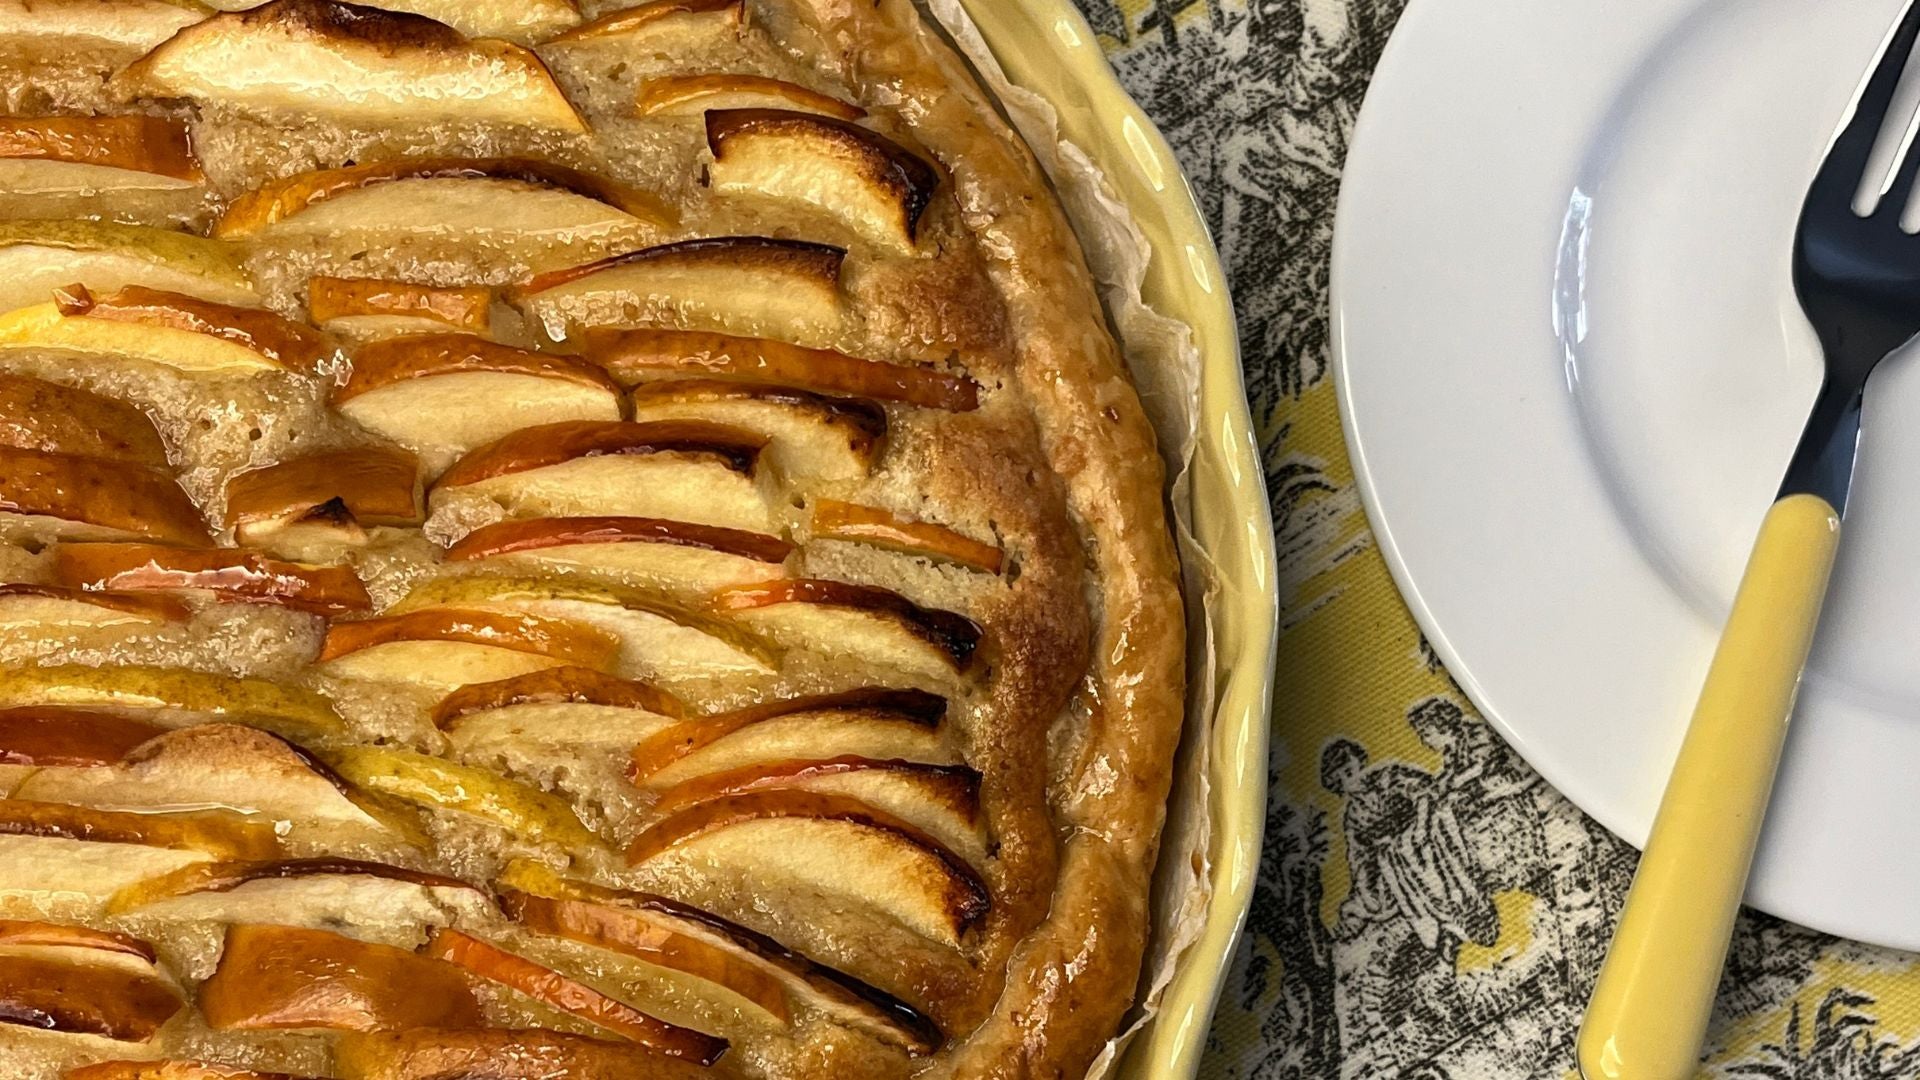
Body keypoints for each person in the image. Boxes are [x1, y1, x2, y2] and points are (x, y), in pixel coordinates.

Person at [1320, 737, 1498, 961]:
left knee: (1417, 851)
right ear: (1339, 787)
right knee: (1394, 863)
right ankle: (1441, 933)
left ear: (1361, 763)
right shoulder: (1354, 815)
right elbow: (1359, 854)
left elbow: (1424, 793)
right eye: (1344, 778)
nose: (1353, 779)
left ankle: (1468, 908)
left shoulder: (1387, 776)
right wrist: (1365, 883)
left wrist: (1421, 828)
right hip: (1400, 857)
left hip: (1427, 830)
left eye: (1352, 769)